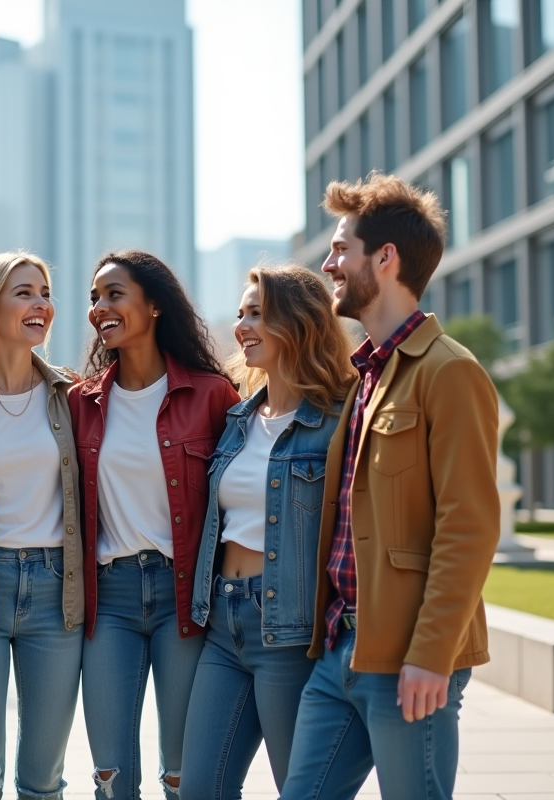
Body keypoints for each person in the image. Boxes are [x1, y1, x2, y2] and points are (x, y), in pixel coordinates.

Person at [279, 173, 501, 800]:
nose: (328, 264)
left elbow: (470, 525)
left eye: (341, 249)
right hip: (341, 649)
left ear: (386, 258)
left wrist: (432, 653)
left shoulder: (449, 372)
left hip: (409, 658)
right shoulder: (365, 379)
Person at [68, 250, 239, 800]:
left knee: (185, 773)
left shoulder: (211, 395)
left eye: (114, 293)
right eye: (95, 297)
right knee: (112, 776)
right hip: (110, 598)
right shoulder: (82, 402)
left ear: (155, 305)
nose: (100, 307)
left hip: (183, 596)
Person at [182, 266, 354, 799]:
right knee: (199, 788)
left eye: (257, 312)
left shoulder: (336, 420)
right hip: (221, 621)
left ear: (297, 322)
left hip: (288, 629)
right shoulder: (237, 419)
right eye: (240, 313)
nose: (242, 324)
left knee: (298, 789)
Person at [0, 252, 84, 800]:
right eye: (24, 292)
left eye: (45, 292)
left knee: (44, 776)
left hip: (56, 592)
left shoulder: (71, 396)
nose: (41, 304)